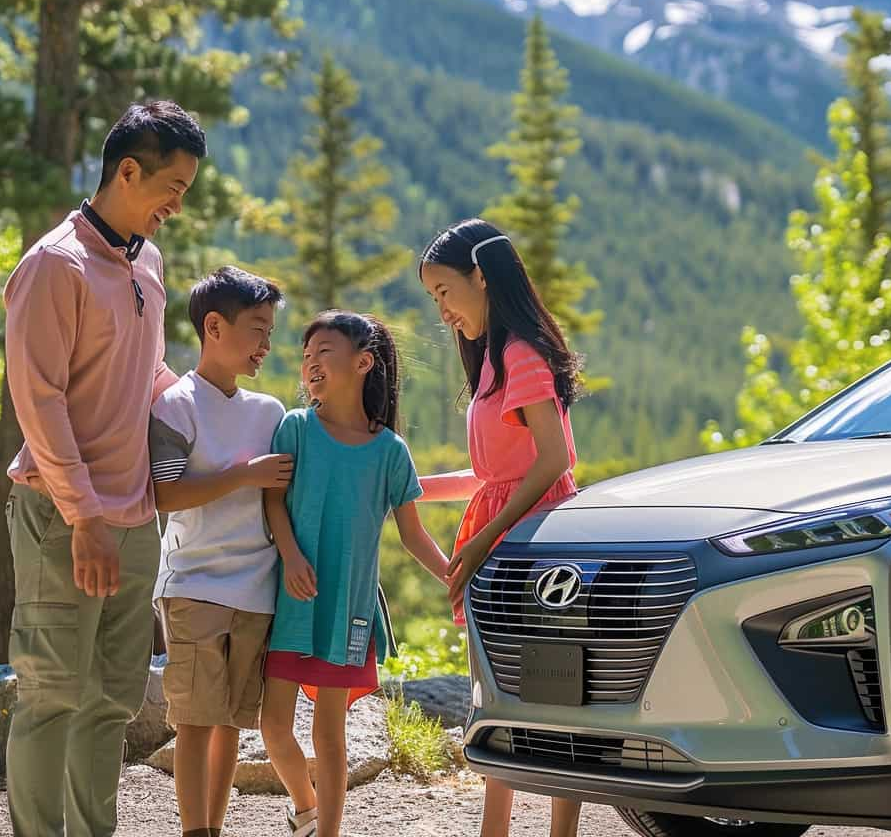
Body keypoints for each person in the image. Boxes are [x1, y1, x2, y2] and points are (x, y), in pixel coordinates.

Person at [3, 100, 207, 837]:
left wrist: (210, 408)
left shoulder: (145, 262)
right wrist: (85, 515)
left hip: (135, 519)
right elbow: (39, 401)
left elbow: (144, 371)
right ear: (128, 171)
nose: (176, 209)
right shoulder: (53, 266)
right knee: (50, 694)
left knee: (111, 703)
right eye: (172, 190)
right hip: (66, 517)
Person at [418, 218, 584, 837]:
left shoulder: (519, 353)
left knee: (549, 694)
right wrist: (417, 489)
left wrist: (487, 540)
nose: (442, 310)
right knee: (500, 698)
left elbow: (553, 460)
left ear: (480, 276)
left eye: (444, 291)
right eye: (432, 298)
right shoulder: (492, 359)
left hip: (537, 549)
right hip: (507, 538)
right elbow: (498, 473)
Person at [260, 311, 449, 837]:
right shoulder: (295, 427)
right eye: (305, 357)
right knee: (273, 726)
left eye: (323, 352)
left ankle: (329, 832)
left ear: (363, 362)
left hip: (348, 611)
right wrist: (292, 556)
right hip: (293, 602)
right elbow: (273, 503)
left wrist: (455, 576)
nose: (310, 364)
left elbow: (413, 536)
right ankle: (306, 807)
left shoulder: (390, 451)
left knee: (331, 738)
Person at [149, 266, 290, 837]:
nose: (266, 344)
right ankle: (194, 830)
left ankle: (216, 826)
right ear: (214, 326)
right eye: (257, 328)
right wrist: (242, 475)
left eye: (270, 331)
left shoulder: (271, 413)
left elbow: (279, 502)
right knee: (195, 721)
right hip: (193, 584)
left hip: (257, 587)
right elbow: (164, 492)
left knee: (233, 719)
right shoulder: (175, 405)